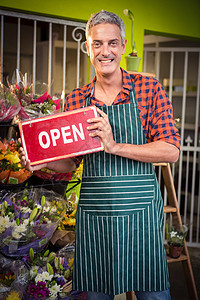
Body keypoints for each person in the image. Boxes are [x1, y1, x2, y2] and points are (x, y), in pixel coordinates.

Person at [20, 10, 180, 300]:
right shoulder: (76, 99)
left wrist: (115, 145)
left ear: (122, 45)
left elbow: (170, 150)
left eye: (112, 43)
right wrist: (40, 162)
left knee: (154, 296)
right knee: (95, 295)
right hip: (96, 220)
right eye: (97, 44)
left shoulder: (148, 89)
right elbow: (70, 162)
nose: (104, 52)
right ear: (88, 48)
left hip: (141, 219)